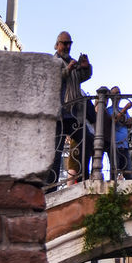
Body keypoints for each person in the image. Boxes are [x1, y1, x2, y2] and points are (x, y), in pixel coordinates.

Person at [50, 32, 92, 186]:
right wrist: (68, 69)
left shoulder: (72, 62)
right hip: (58, 114)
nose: (67, 46)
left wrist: (86, 67)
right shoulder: (53, 61)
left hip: (73, 114)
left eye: (69, 43)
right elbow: (55, 77)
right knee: (56, 152)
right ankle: (50, 189)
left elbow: (83, 76)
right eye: (64, 43)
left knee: (87, 140)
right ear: (57, 44)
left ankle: (83, 179)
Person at [107, 87, 132, 179]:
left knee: (129, 174)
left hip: (125, 145)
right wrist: (125, 109)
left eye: (119, 93)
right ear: (111, 96)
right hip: (114, 146)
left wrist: (130, 121)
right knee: (114, 173)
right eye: (115, 94)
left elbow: (128, 124)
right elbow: (113, 120)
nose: (118, 96)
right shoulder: (108, 110)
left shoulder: (123, 110)